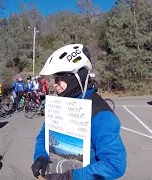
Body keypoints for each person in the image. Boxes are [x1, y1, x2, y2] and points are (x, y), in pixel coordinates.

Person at [31, 44, 127, 179]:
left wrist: (71, 177)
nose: (54, 84)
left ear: (75, 78)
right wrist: (40, 155)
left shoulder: (101, 115)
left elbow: (115, 165)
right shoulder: (61, 103)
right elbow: (44, 135)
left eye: (59, 78)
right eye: (54, 78)